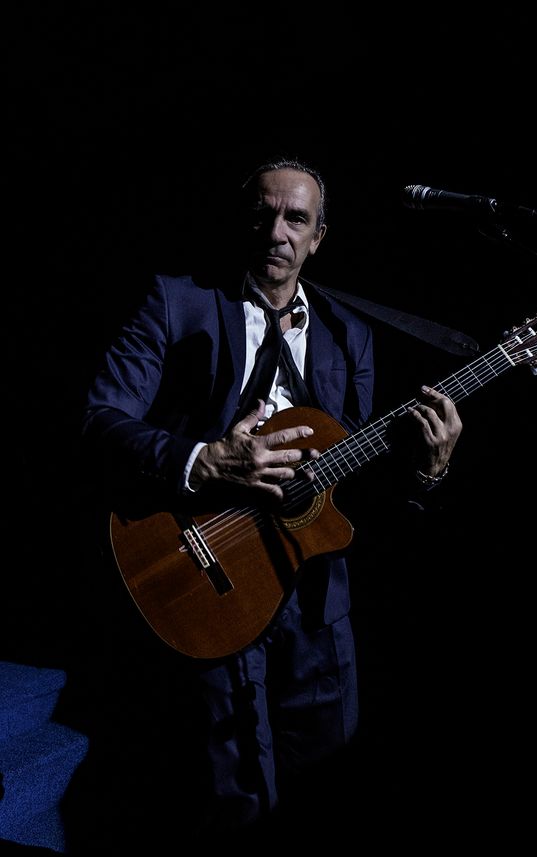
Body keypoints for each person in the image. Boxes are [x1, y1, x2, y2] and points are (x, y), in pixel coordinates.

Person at [79, 157, 463, 839]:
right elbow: (100, 419)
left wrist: (426, 475)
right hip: (213, 577)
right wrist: (203, 459)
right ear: (244, 221)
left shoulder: (351, 334)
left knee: (331, 792)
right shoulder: (178, 301)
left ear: (318, 237)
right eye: (265, 214)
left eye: (297, 219)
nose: (278, 232)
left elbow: (355, 488)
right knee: (237, 802)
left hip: (318, 604)